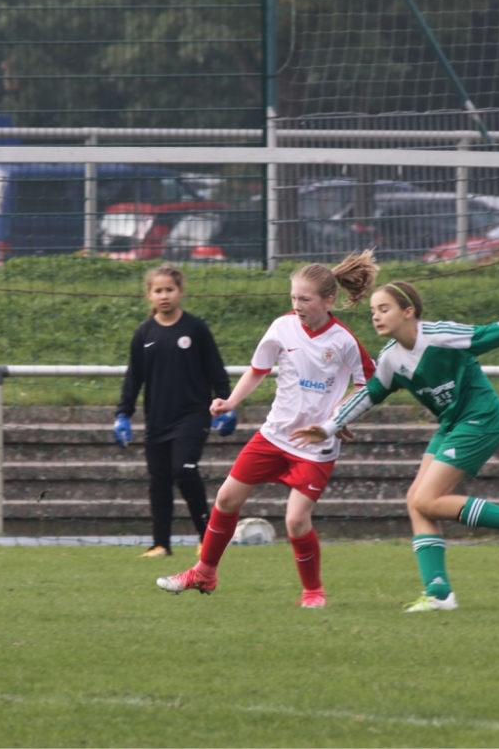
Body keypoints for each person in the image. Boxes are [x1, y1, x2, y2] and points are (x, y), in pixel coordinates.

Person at [291, 281, 499, 612]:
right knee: (417, 503)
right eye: (373, 311)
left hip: (481, 418)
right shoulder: (390, 359)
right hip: (451, 424)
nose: (376, 316)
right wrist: (328, 427)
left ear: (408, 312)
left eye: (384, 309)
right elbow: (369, 394)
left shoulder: (441, 336)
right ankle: (439, 594)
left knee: (427, 499)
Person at [156, 250, 381, 608]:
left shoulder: (343, 341)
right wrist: (230, 401)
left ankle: (313, 593)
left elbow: (368, 385)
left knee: (295, 521)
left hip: (314, 446)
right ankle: (204, 572)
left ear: (328, 301)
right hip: (274, 435)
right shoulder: (282, 327)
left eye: (305, 299)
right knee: (227, 499)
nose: (297, 305)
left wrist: (338, 418)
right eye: (294, 298)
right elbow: (258, 369)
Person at [114, 265, 235, 558]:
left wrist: (226, 404)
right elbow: (134, 378)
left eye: (169, 289)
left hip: (193, 415)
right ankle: (161, 544)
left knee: (184, 470)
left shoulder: (195, 329)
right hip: (157, 419)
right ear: (149, 295)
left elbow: (215, 369)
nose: (164, 295)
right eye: (158, 290)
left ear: (180, 292)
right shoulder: (144, 333)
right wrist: (123, 414)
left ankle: (208, 538)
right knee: (159, 481)